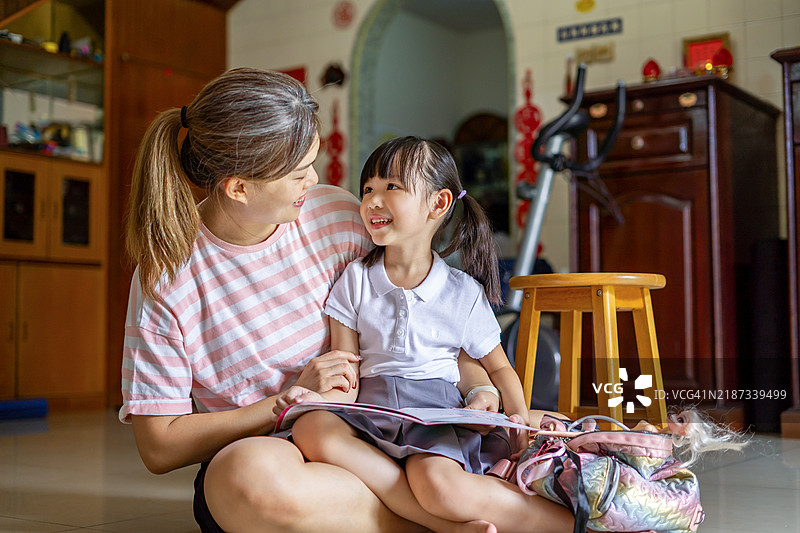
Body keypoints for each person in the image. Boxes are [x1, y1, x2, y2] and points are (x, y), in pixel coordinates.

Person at [119, 68, 566, 533]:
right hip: (287, 451)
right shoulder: (167, 277)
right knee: (245, 477)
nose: (313, 180)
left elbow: (433, 327)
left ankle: (478, 508)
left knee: (543, 430)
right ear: (239, 187)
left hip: (385, 434)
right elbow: (160, 447)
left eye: (313, 162)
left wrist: (481, 390)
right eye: (297, 173)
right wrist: (286, 402)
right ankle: (443, 521)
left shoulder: (337, 218)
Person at [273, 136, 573, 533]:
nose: (373, 200)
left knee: (439, 487)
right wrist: (314, 399)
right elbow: (346, 372)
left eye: (391, 187)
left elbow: (499, 369)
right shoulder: (354, 280)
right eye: (368, 189)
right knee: (312, 427)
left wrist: (517, 426)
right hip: (372, 413)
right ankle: (444, 528)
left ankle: (569, 524)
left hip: (433, 416)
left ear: (439, 203)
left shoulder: (462, 292)